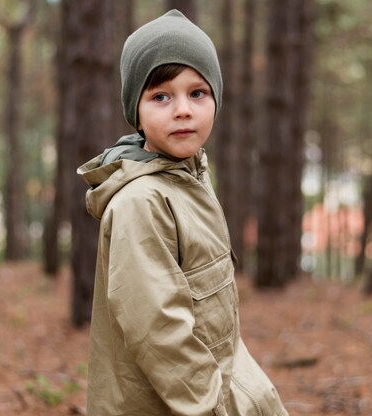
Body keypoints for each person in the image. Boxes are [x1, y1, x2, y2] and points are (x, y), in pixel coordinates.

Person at [78, 9, 289, 416]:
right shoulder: (141, 203)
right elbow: (159, 331)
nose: (183, 110)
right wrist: (213, 408)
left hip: (225, 386)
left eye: (198, 93)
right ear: (135, 110)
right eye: (161, 96)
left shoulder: (190, 179)